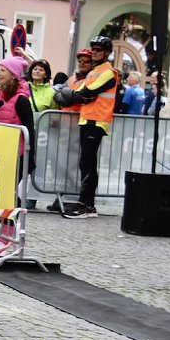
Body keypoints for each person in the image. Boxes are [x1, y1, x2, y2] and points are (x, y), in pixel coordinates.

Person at [0, 56, 35, 257]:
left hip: (16, 155)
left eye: (3, 70)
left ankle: (7, 239)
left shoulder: (21, 100)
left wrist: (30, 157)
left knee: (7, 198)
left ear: (14, 75)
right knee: (1, 197)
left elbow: (29, 130)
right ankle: (10, 234)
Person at [61, 37, 119, 219]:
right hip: (87, 119)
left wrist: (78, 95)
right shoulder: (94, 71)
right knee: (88, 163)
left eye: (99, 49)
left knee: (86, 162)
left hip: (97, 120)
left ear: (107, 53)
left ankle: (82, 205)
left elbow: (86, 93)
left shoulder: (109, 72)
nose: (94, 52)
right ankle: (89, 205)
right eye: (93, 49)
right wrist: (79, 95)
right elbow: (80, 95)